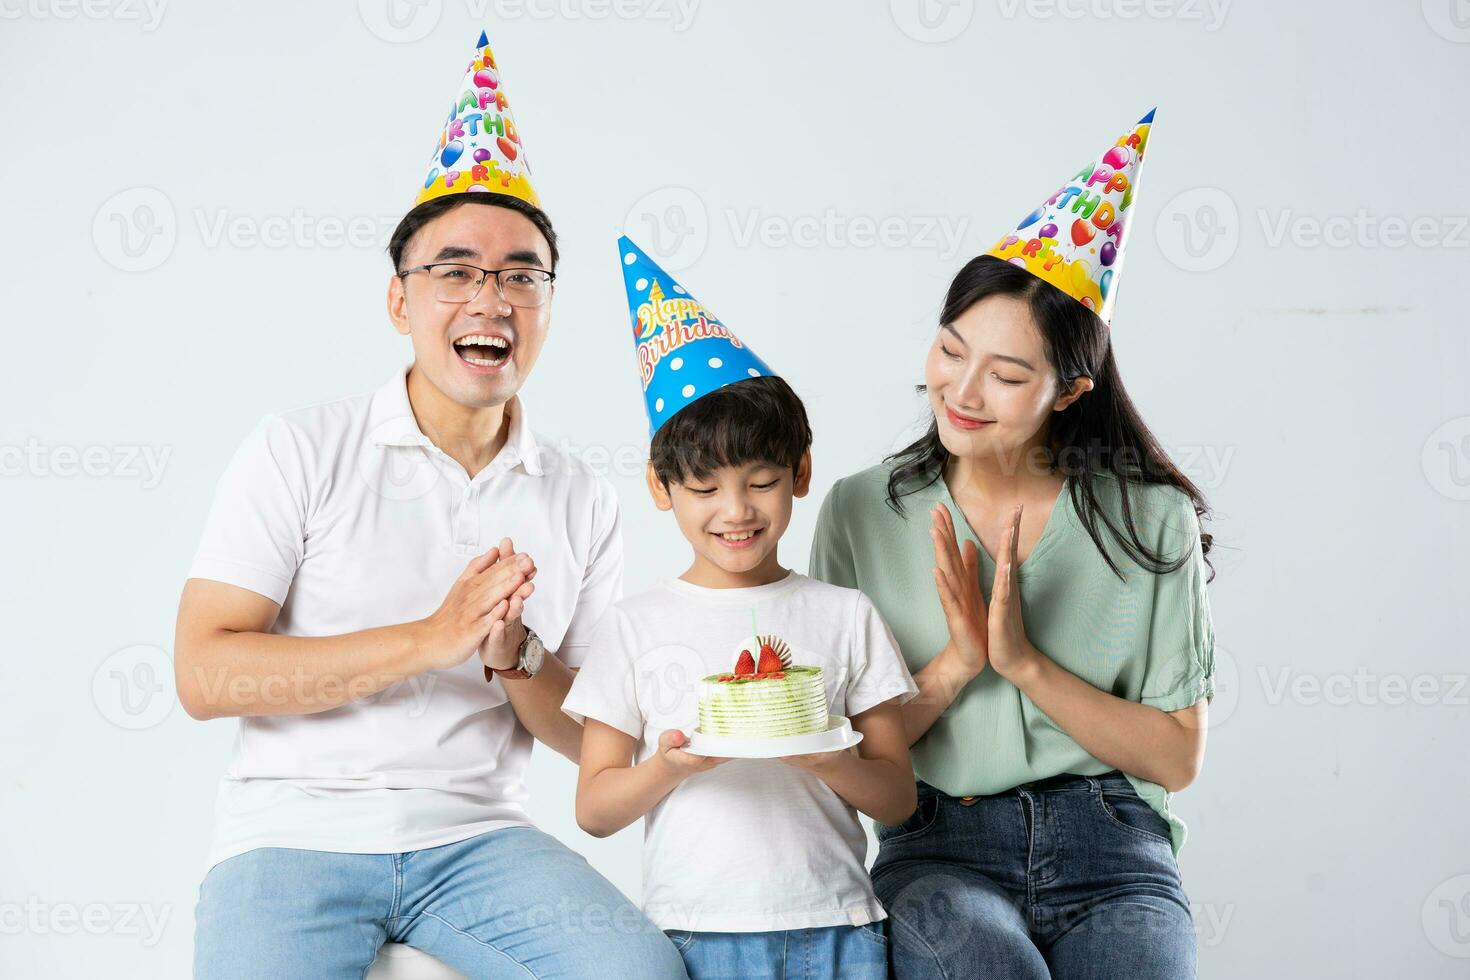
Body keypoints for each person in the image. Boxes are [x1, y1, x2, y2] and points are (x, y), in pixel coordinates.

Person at [175, 34, 686, 979]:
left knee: (642, 972)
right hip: (292, 832)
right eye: (455, 271)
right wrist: (431, 636)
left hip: (478, 843)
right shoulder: (299, 448)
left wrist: (514, 656)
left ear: (545, 307)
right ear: (398, 302)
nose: (489, 298)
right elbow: (204, 675)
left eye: (521, 276)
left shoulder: (578, 497)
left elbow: (589, 736)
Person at [810, 110, 1216, 979]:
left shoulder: (1152, 523)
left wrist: (1026, 664)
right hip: (940, 848)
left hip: (1114, 849)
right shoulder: (859, 511)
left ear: (1069, 391)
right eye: (952, 351)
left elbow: (1177, 757)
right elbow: (842, 747)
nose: (961, 390)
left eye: (1006, 374)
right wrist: (959, 665)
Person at [560, 238, 920, 980]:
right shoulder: (634, 626)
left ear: (801, 474)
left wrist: (829, 756)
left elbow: (898, 798)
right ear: (661, 488)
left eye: (760, 481)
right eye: (703, 490)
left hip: (837, 927)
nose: (736, 512)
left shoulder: (845, 614)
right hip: (696, 932)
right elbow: (594, 808)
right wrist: (669, 768)